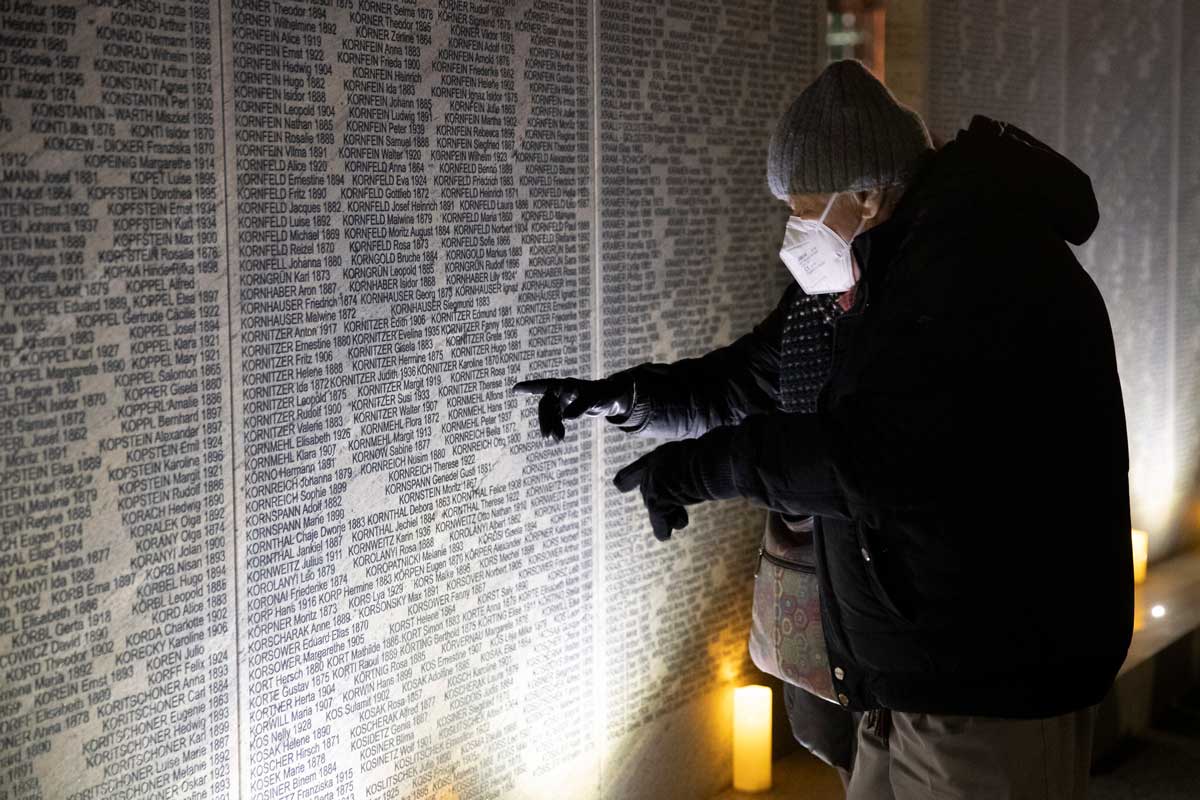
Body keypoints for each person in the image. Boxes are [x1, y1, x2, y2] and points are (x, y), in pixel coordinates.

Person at [514, 59, 1132, 799]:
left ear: (867, 194)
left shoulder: (978, 270)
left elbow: (870, 460)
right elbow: (749, 378)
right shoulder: (874, 269)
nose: (795, 231)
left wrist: (702, 469)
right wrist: (625, 398)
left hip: (993, 671)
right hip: (904, 667)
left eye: (805, 209)